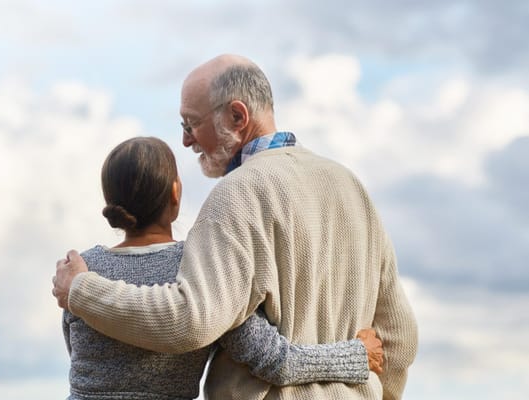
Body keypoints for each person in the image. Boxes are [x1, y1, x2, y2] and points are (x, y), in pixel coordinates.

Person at [52, 54, 418, 400]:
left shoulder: (236, 197)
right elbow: (399, 337)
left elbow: (192, 320)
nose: (185, 139)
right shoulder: (351, 187)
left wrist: (82, 290)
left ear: (237, 117)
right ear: (174, 196)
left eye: (190, 123)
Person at [63, 136, 384, 400]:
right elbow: (275, 362)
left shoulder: (79, 271)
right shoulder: (199, 266)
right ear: (176, 193)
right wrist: (355, 356)